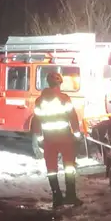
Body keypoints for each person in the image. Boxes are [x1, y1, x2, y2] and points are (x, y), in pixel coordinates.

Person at [31, 71, 83, 207]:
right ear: (59, 83)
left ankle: (57, 198)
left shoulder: (39, 101)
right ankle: (71, 196)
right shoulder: (64, 98)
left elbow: (36, 121)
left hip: (49, 140)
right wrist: (77, 134)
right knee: (69, 167)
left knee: (52, 169)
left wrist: (40, 138)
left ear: (48, 83)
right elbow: (73, 117)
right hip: (65, 138)